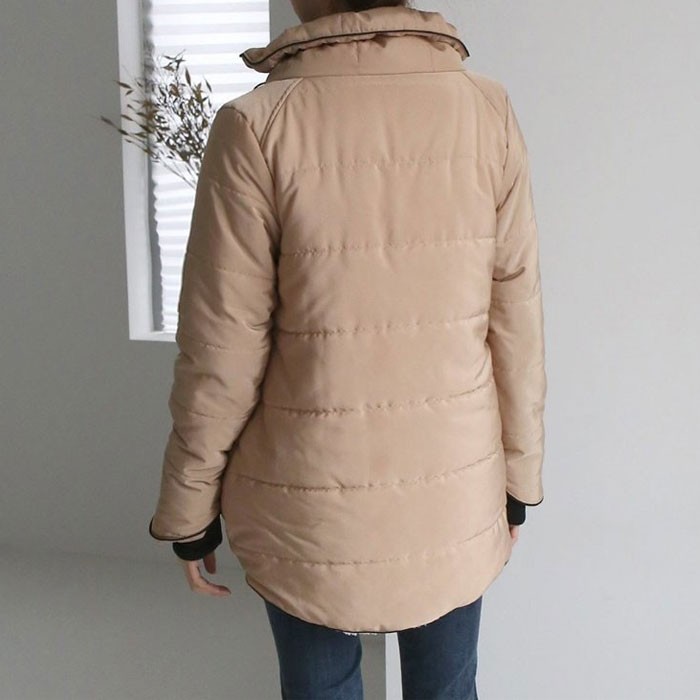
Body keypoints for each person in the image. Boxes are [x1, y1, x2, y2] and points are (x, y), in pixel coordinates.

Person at [148, 0, 547, 697]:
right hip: (454, 488)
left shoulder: (257, 125)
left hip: (308, 505)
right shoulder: (485, 110)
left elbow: (222, 351)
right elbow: (516, 323)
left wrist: (189, 509)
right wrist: (518, 483)